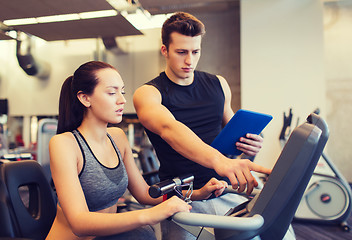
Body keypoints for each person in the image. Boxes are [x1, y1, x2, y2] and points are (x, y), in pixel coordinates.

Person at [46, 61, 228, 240]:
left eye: (122, 91)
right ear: (85, 98)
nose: (122, 100)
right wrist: (149, 215)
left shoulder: (117, 137)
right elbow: (79, 223)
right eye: (111, 92)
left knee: (143, 234)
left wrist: (196, 193)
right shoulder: (64, 144)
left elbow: (144, 193)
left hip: (106, 237)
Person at [133, 12, 272, 239]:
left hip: (226, 189)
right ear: (165, 51)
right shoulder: (149, 93)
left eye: (195, 52)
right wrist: (220, 161)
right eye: (181, 52)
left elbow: (232, 128)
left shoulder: (219, 84)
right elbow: (170, 129)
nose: (189, 61)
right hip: (184, 197)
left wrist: (251, 143)